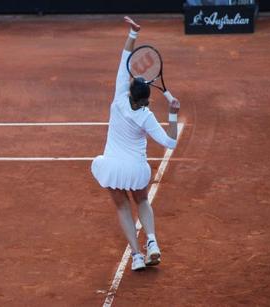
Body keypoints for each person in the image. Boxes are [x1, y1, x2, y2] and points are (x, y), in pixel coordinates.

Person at [91, 16, 181, 271]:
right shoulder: (147, 116)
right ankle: (152, 243)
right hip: (136, 171)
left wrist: (133, 34)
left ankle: (137, 256)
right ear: (146, 99)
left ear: (130, 92)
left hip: (113, 168)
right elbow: (170, 142)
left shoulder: (119, 98)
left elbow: (124, 61)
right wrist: (172, 113)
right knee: (142, 201)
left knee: (122, 207)